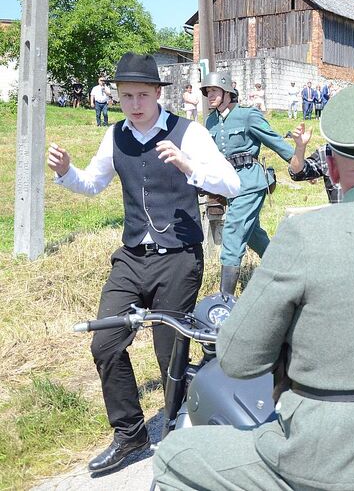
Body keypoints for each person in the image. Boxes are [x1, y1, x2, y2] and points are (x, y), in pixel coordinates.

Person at [153, 82, 354, 490]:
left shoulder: (303, 236)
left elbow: (237, 361)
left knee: (174, 457)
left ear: (334, 169)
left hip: (323, 463)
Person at [47, 53, 239, 474]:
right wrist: (66, 172)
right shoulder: (115, 135)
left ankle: (174, 431)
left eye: (142, 95)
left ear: (158, 94)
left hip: (179, 257)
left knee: (169, 349)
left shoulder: (189, 133)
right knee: (106, 342)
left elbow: (232, 182)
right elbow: (93, 184)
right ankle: (131, 432)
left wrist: (191, 167)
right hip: (132, 256)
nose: (134, 104)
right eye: (126, 96)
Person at [201, 71, 295, 296]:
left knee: (233, 232)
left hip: (250, 182)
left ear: (227, 93)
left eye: (213, 91)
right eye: (207, 92)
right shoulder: (210, 121)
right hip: (229, 184)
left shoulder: (248, 115)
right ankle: (289, 271)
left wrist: (300, 166)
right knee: (253, 235)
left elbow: (275, 141)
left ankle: (224, 300)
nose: (209, 95)